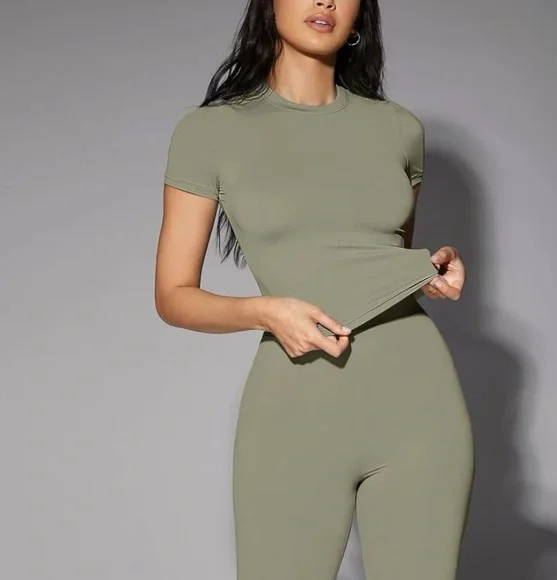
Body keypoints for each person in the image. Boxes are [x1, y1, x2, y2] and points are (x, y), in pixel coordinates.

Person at [155, 0, 475, 579]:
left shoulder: (398, 129)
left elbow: (381, 261)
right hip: (297, 406)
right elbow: (173, 296)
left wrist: (430, 270)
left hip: (419, 402)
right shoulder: (210, 132)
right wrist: (265, 311)